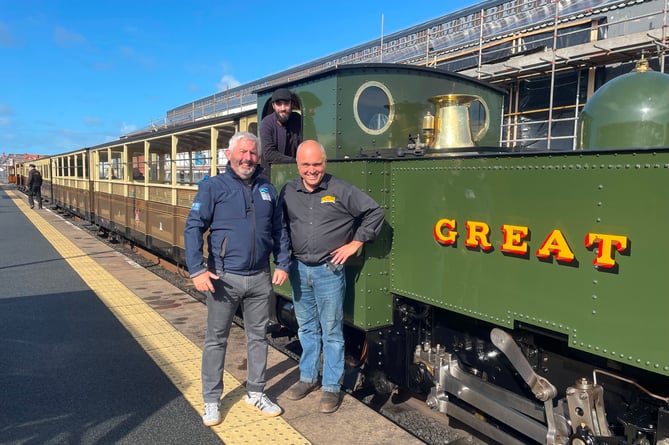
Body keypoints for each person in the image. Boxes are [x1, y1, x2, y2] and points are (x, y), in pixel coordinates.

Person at [183, 131, 290, 427]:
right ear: (229, 155)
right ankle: (211, 400)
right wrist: (196, 269)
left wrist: (282, 263)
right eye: (242, 152)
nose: (248, 158)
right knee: (216, 340)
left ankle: (255, 392)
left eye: (253, 153)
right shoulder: (212, 187)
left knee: (259, 337)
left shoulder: (267, 189)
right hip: (223, 279)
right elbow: (193, 227)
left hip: (260, 278)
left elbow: (279, 229)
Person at [280, 140, 385, 413]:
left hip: (329, 271)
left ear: (324, 164)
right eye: (306, 165)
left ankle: (331, 387)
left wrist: (356, 243)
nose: (312, 170)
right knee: (306, 328)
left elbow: (375, 211)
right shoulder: (289, 191)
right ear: (298, 166)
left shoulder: (341, 189)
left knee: (332, 332)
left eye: (317, 164)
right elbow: (279, 226)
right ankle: (307, 379)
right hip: (299, 269)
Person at [258, 87, 302, 180]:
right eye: (279, 104)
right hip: (272, 176)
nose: (283, 108)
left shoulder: (297, 119)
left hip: (295, 173)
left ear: (291, 104)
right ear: (273, 106)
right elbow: (269, 154)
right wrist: (295, 161)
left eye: (286, 104)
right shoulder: (266, 123)